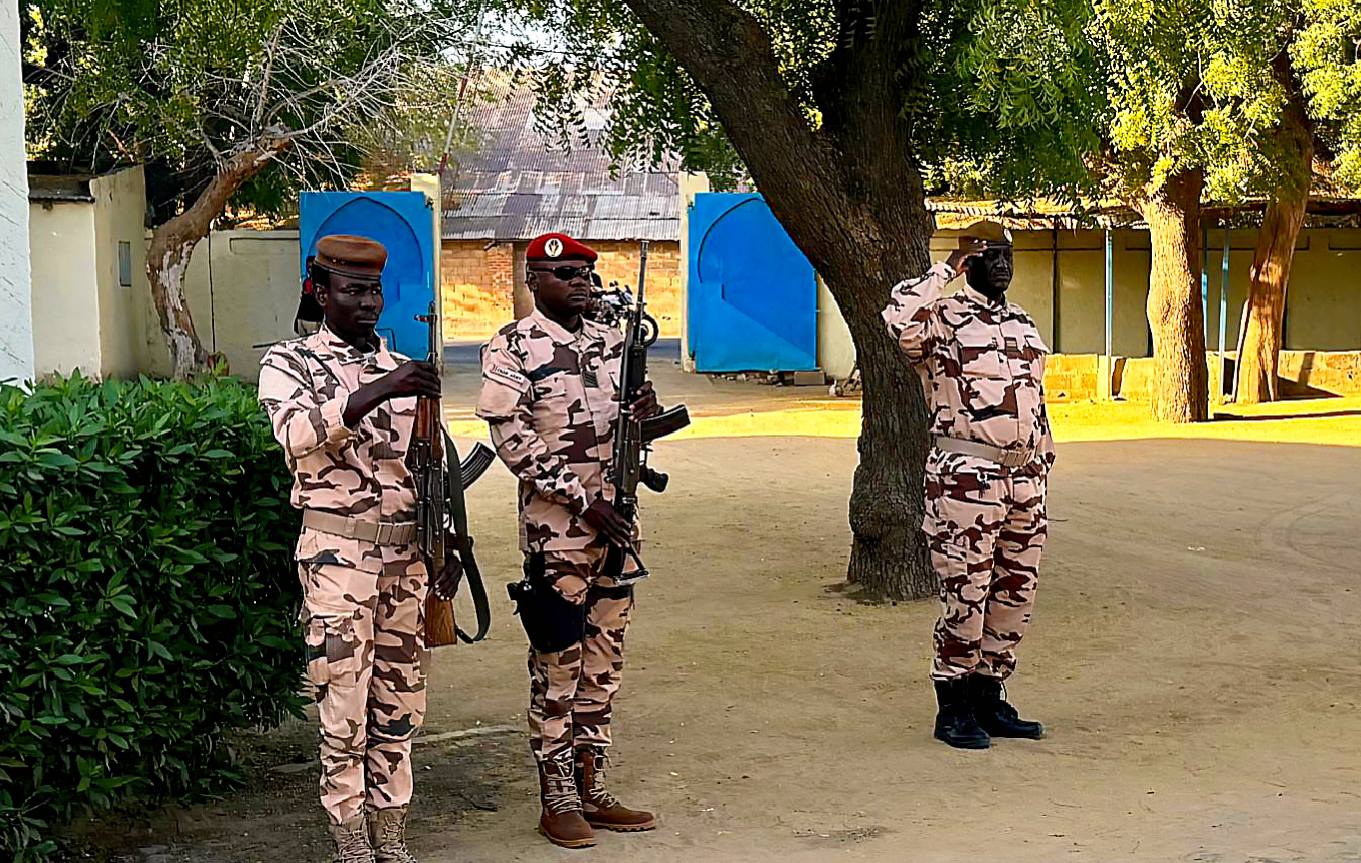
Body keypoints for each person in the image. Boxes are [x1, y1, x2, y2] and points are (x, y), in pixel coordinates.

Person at [258, 234, 463, 862]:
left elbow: (432, 466)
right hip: (337, 558)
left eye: (374, 289)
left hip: (406, 559)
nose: (368, 302)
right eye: (352, 289)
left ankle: (390, 831)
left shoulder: (402, 366)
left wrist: (449, 539)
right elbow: (296, 435)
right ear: (319, 293)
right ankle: (350, 837)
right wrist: (383, 388)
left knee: (401, 702)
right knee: (342, 700)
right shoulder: (288, 363)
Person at [477, 232, 661, 849]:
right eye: (565, 275)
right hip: (559, 533)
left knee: (604, 660)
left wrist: (646, 409)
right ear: (534, 282)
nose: (580, 283)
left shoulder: (612, 342)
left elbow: (635, 426)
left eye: (586, 273)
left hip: (619, 524)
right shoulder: (512, 348)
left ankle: (591, 785)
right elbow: (513, 443)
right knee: (559, 662)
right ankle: (555, 797)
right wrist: (586, 500)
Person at [881, 220, 1055, 750]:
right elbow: (896, 319)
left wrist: (1043, 463)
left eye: (1007, 256)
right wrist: (944, 273)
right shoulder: (941, 321)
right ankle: (952, 704)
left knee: (1014, 593)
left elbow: (1035, 401)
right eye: (989, 256)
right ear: (968, 263)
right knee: (967, 591)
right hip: (966, 480)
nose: (1001, 265)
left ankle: (988, 695)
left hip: (1023, 478)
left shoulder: (1023, 324)